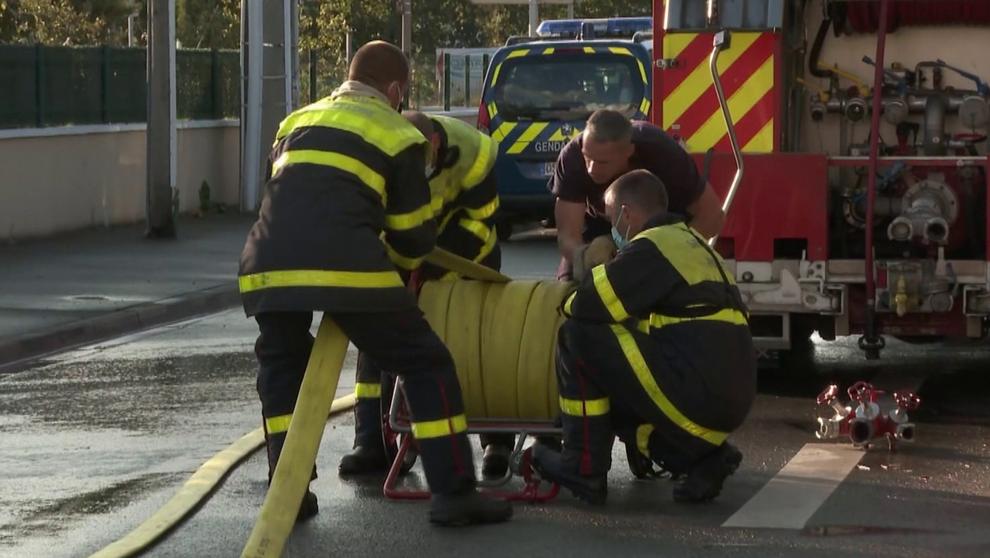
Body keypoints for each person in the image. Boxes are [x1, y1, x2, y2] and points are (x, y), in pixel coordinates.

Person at [239, 40, 511, 526]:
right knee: (426, 362)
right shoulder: (397, 133)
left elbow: (281, 196)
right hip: (349, 266)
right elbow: (411, 238)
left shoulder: (297, 120)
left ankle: (289, 491)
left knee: (282, 372)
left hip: (268, 264)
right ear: (395, 90)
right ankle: (453, 493)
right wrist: (402, 269)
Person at [531, 169, 755, 505]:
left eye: (610, 220)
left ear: (626, 214)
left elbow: (585, 307)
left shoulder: (652, 248)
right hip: (724, 393)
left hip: (698, 390)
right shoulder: (690, 242)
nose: (612, 231)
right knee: (614, 390)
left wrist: (587, 276)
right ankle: (704, 460)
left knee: (576, 337)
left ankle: (582, 467)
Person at [339, 110, 515, 479]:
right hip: (401, 251)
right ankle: (373, 442)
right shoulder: (379, 151)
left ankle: (496, 443)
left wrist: (432, 271)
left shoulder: (474, 152)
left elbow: (481, 222)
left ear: (434, 145)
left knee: (481, 344)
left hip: (470, 256)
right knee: (377, 344)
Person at [550, 109, 725, 281]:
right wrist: (585, 257)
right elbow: (568, 236)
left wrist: (665, 256)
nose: (591, 169)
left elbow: (712, 217)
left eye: (602, 162)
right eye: (587, 158)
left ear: (629, 151)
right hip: (597, 237)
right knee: (567, 298)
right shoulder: (572, 157)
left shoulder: (661, 152)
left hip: (666, 235)